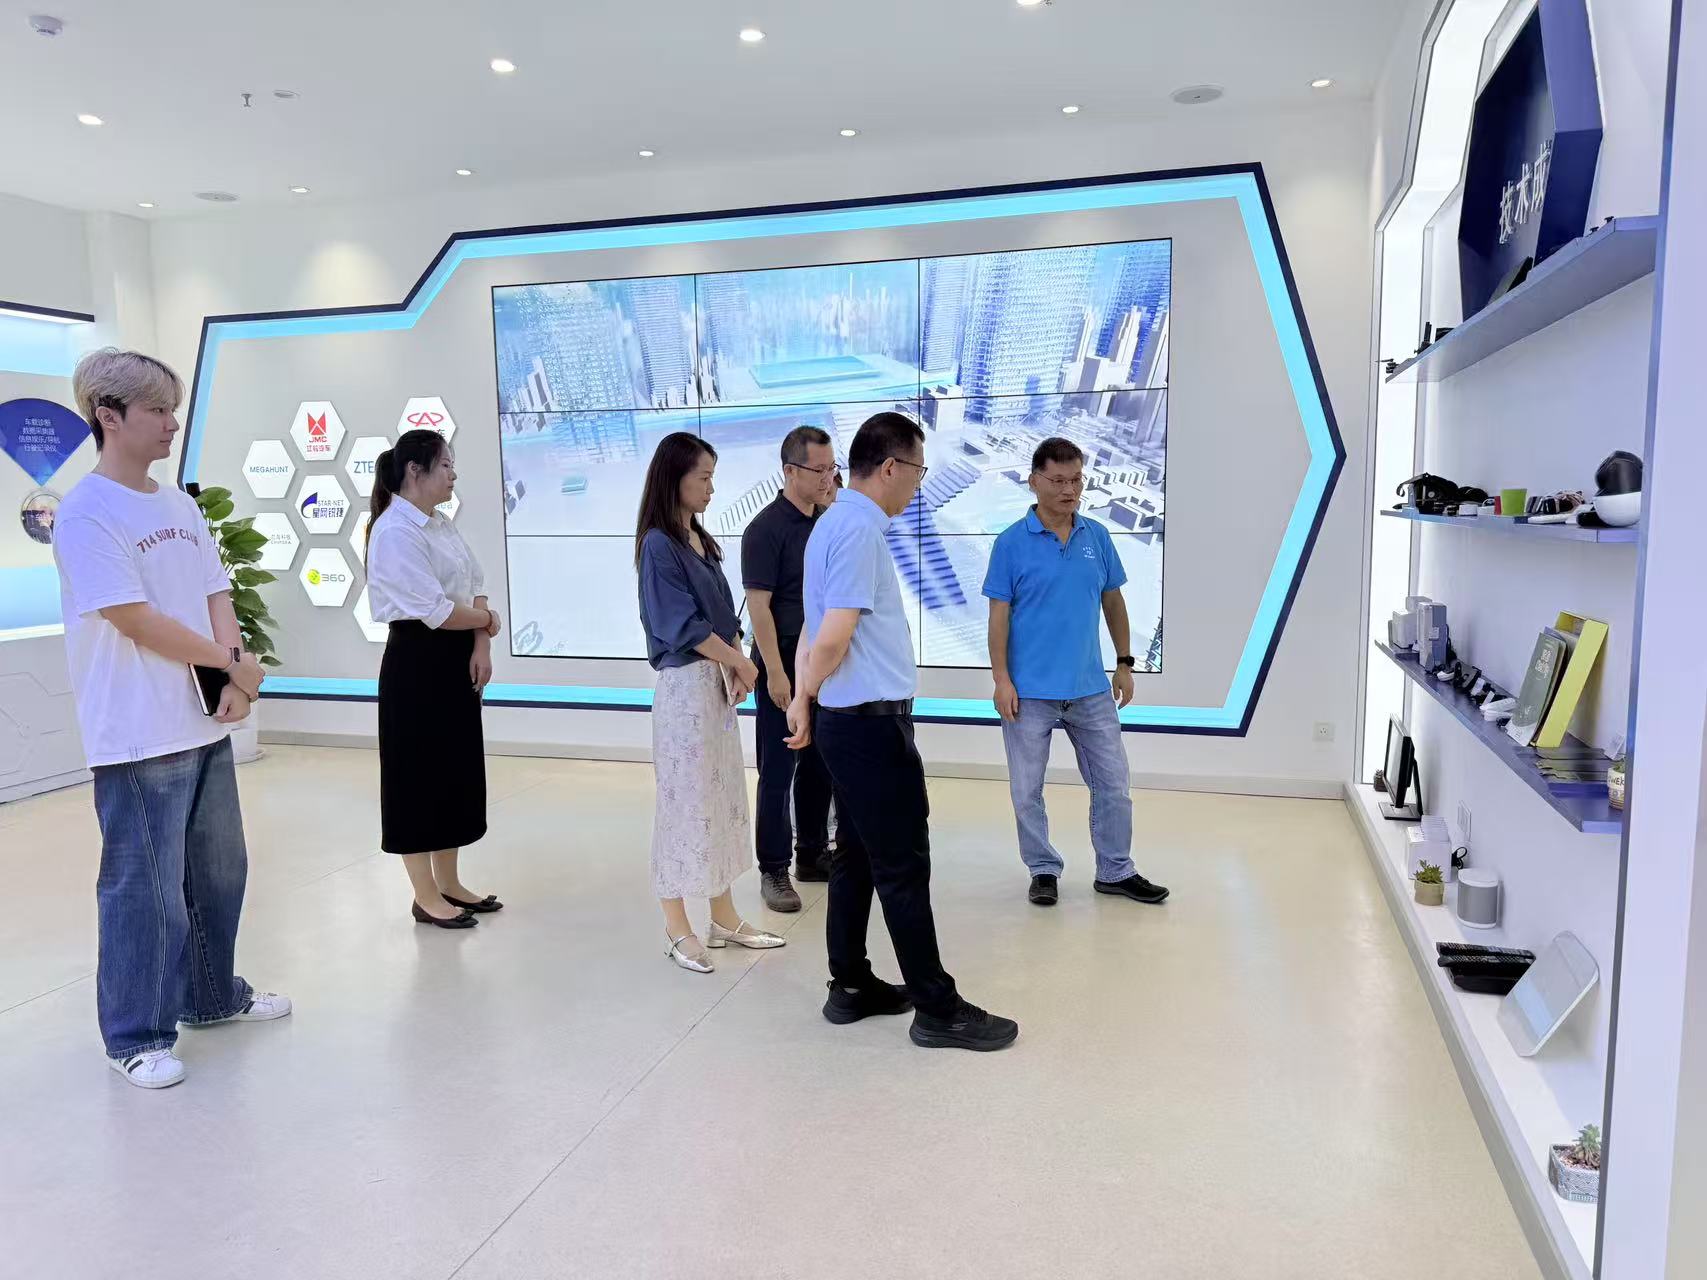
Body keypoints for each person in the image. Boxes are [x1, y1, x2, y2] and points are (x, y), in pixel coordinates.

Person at [53, 347, 290, 1090]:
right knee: (145, 890)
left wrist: (233, 676)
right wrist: (230, 666)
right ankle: (136, 1035)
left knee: (218, 874)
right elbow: (134, 618)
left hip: (199, 719)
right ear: (109, 416)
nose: (171, 423)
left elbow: (217, 594)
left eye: (172, 409)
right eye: (157, 410)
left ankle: (211, 996)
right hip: (136, 733)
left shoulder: (179, 505)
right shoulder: (86, 512)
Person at [787, 411, 1018, 1051]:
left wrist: (805, 697)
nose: (918, 484)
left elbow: (812, 628)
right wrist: (808, 691)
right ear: (890, 467)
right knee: (902, 864)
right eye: (917, 470)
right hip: (869, 729)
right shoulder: (859, 529)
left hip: (845, 722)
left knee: (857, 856)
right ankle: (937, 1009)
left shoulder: (831, 524)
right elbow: (833, 635)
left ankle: (850, 984)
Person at [984, 437, 1170, 909]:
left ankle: (1116, 869)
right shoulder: (1010, 543)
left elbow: (1113, 601)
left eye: (1076, 480)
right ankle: (1043, 869)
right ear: (1034, 481)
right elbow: (998, 617)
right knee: (1026, 791)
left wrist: (1124, 662)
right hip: (1029, 693)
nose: (1070, 490)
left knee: (1114, 786)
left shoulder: (1097, 537)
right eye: (1058, 480)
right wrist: (1002, 679)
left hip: (1090, 690)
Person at [637, 432, 785, 972]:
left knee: (719, 803)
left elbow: (723, 614)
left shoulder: (697, 537)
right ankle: (676, 925)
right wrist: (739, 662)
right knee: (683, 806)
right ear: (674, 478)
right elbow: (683, 625)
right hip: (686, 691)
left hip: (715, 687)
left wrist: (735, 664)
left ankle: (723, 916)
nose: (711, 489)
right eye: (703, 478)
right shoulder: (658, 545)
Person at [365, 428, 502, 928]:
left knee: (453, 773)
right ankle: (425, 896)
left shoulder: (439, 523)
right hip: (417, 664)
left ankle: (449, 883)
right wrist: (487, 622)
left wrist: (483, 640)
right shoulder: (395, 531)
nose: (453, 474)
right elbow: (437, 612)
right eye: (445, 465)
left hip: (457, 657)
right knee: (417, 778)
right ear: (414, 471)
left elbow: (476, 583)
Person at [742, 425, 838, 913]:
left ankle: (813, 854)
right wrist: (776, 675)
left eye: (832, 468)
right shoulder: (764, 529)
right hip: (781, 662)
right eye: (818, 470)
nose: (827, 478)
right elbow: (759, 608)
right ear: (789, 471)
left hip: (821, 663)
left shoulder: (828, 521)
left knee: (820, 763)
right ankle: (774, 869)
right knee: (779, 771)